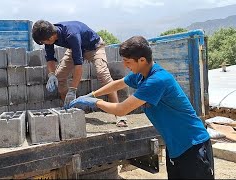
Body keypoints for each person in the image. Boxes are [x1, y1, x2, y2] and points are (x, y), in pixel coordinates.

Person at [69, 36, 214, 179]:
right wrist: (92, 94)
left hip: (193, 145)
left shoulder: (157, 80)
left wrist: (94, 102)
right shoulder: (140, 75)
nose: (125, 65)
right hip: (175, 147)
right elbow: (117, 84)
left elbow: (121, 109)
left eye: (128, 62)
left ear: (142, 60)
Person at [32, 20, 128, 127]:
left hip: (94, 47)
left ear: (50, 38)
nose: (44, 44)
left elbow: (78, 66)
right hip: (75, 48)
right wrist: (51, 75)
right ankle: (71, 111)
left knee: (103, 74)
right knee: (59, 77)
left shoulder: (71, 34)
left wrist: (72, 90)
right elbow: (50, 58)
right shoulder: (49, 33)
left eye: (43, 42)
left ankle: (120, 114)